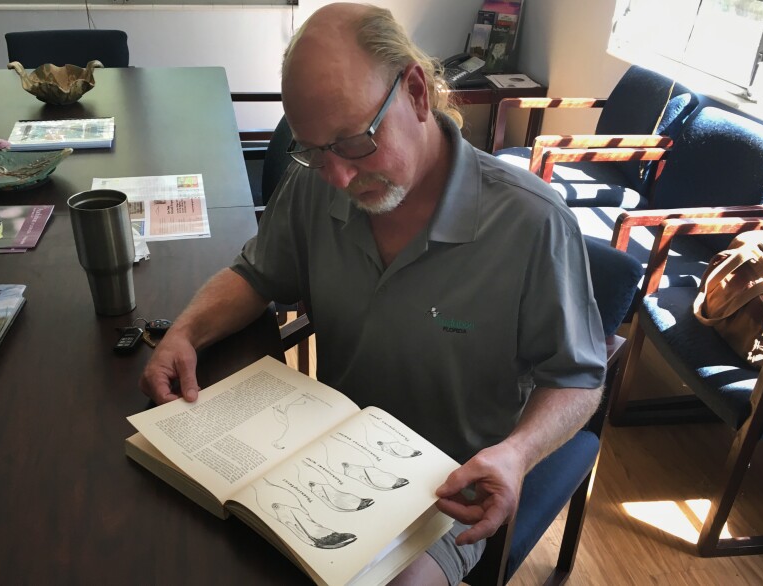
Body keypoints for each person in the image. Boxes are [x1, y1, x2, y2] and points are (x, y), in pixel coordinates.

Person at [140, 3, 606, 584]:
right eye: (313, 150)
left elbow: (579, 378)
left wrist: (516, 453)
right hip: (320, 452)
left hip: (447, 487)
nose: (335, 176)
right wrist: (185, 331)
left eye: (353, 142)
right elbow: (256, 275)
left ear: (415, 92)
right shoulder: (315, 183)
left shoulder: (532, 225)